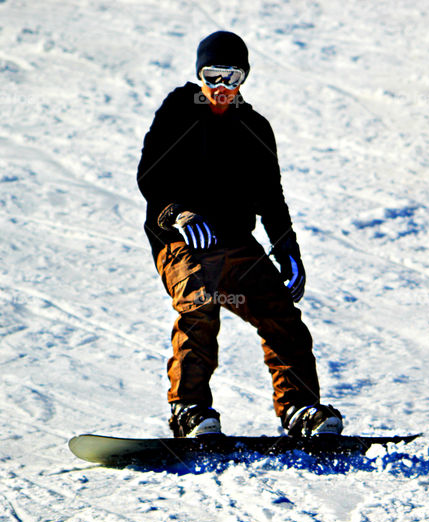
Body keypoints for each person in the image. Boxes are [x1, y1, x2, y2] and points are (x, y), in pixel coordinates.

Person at [136, 30, 343, 438]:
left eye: (232, 78)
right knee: (199, 302)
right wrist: (178, 213)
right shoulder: (179, 110)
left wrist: (287, 251)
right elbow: (151, 175)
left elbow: (271, 195)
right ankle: (189, 409)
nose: (221, 88)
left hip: (236, 244)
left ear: (243, 80)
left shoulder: (253, 127)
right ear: (199, 74)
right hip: (182, 242)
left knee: (281, 314)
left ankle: (299, 409)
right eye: (212, 76)